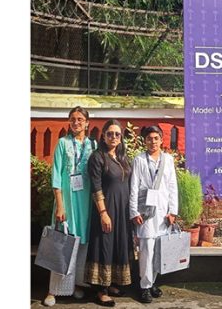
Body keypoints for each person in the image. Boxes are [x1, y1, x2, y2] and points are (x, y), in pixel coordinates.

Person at [43, 106, 98, 307]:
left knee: (81, 244)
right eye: (73, 119)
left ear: (87, 123)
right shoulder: (62, 143)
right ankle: (53, 290)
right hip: (66, 202)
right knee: (61, 244)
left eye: (80, 119)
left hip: (85, 203)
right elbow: (56, 176)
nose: (76, 122)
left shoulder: (92, 145)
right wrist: (60, 206)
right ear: (69, 122)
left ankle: (74, 284)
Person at [84, 120, 133, 307]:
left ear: (121, 138)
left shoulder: (122, 157)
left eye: (117, 134)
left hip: (122, 209)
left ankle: (111, 284)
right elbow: (96, 187)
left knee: (117, 245)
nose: (113, 137)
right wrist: (103, 212)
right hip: (106, 209)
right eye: (110, 133)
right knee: (104, 246)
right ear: (103, 135)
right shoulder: (97, 157)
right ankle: (100, 291)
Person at [129, 125, 178, 304]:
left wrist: (173, 211)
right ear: (145, 140)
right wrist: (134, 212)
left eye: (156, 138)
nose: (153, 142)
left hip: (163, 211)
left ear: (161, 139)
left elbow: (172, 186)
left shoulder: (168, 160)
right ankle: (144, 286)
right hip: (145, 211)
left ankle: (152, 283)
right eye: (149, 138)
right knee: (146, 249)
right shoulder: (139, 160)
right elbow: (133, 187)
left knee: (158, 249)